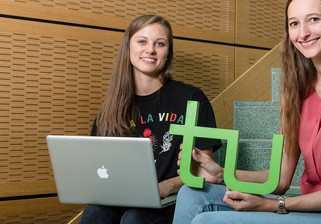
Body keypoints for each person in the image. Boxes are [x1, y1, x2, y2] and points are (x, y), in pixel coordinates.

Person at [172, 0, 321, 224]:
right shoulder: (298, 90)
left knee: (208, 222)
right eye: (294, 24)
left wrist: (275, 205)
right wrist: (222, 173)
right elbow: (280, 179)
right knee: (192, 194)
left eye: (313, 19)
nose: (303, 33)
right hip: (313, 211)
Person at [79, 15, 222, 224]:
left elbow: (201, 172)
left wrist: (164, 188)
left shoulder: (192, 98)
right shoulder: (110, 110)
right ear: (128, 48)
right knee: (93, 214)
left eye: (160, 44)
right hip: (124, 198)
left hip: (171, 199)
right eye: (142, 41)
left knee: (134, 218)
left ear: (167, 53)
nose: (150, 50)